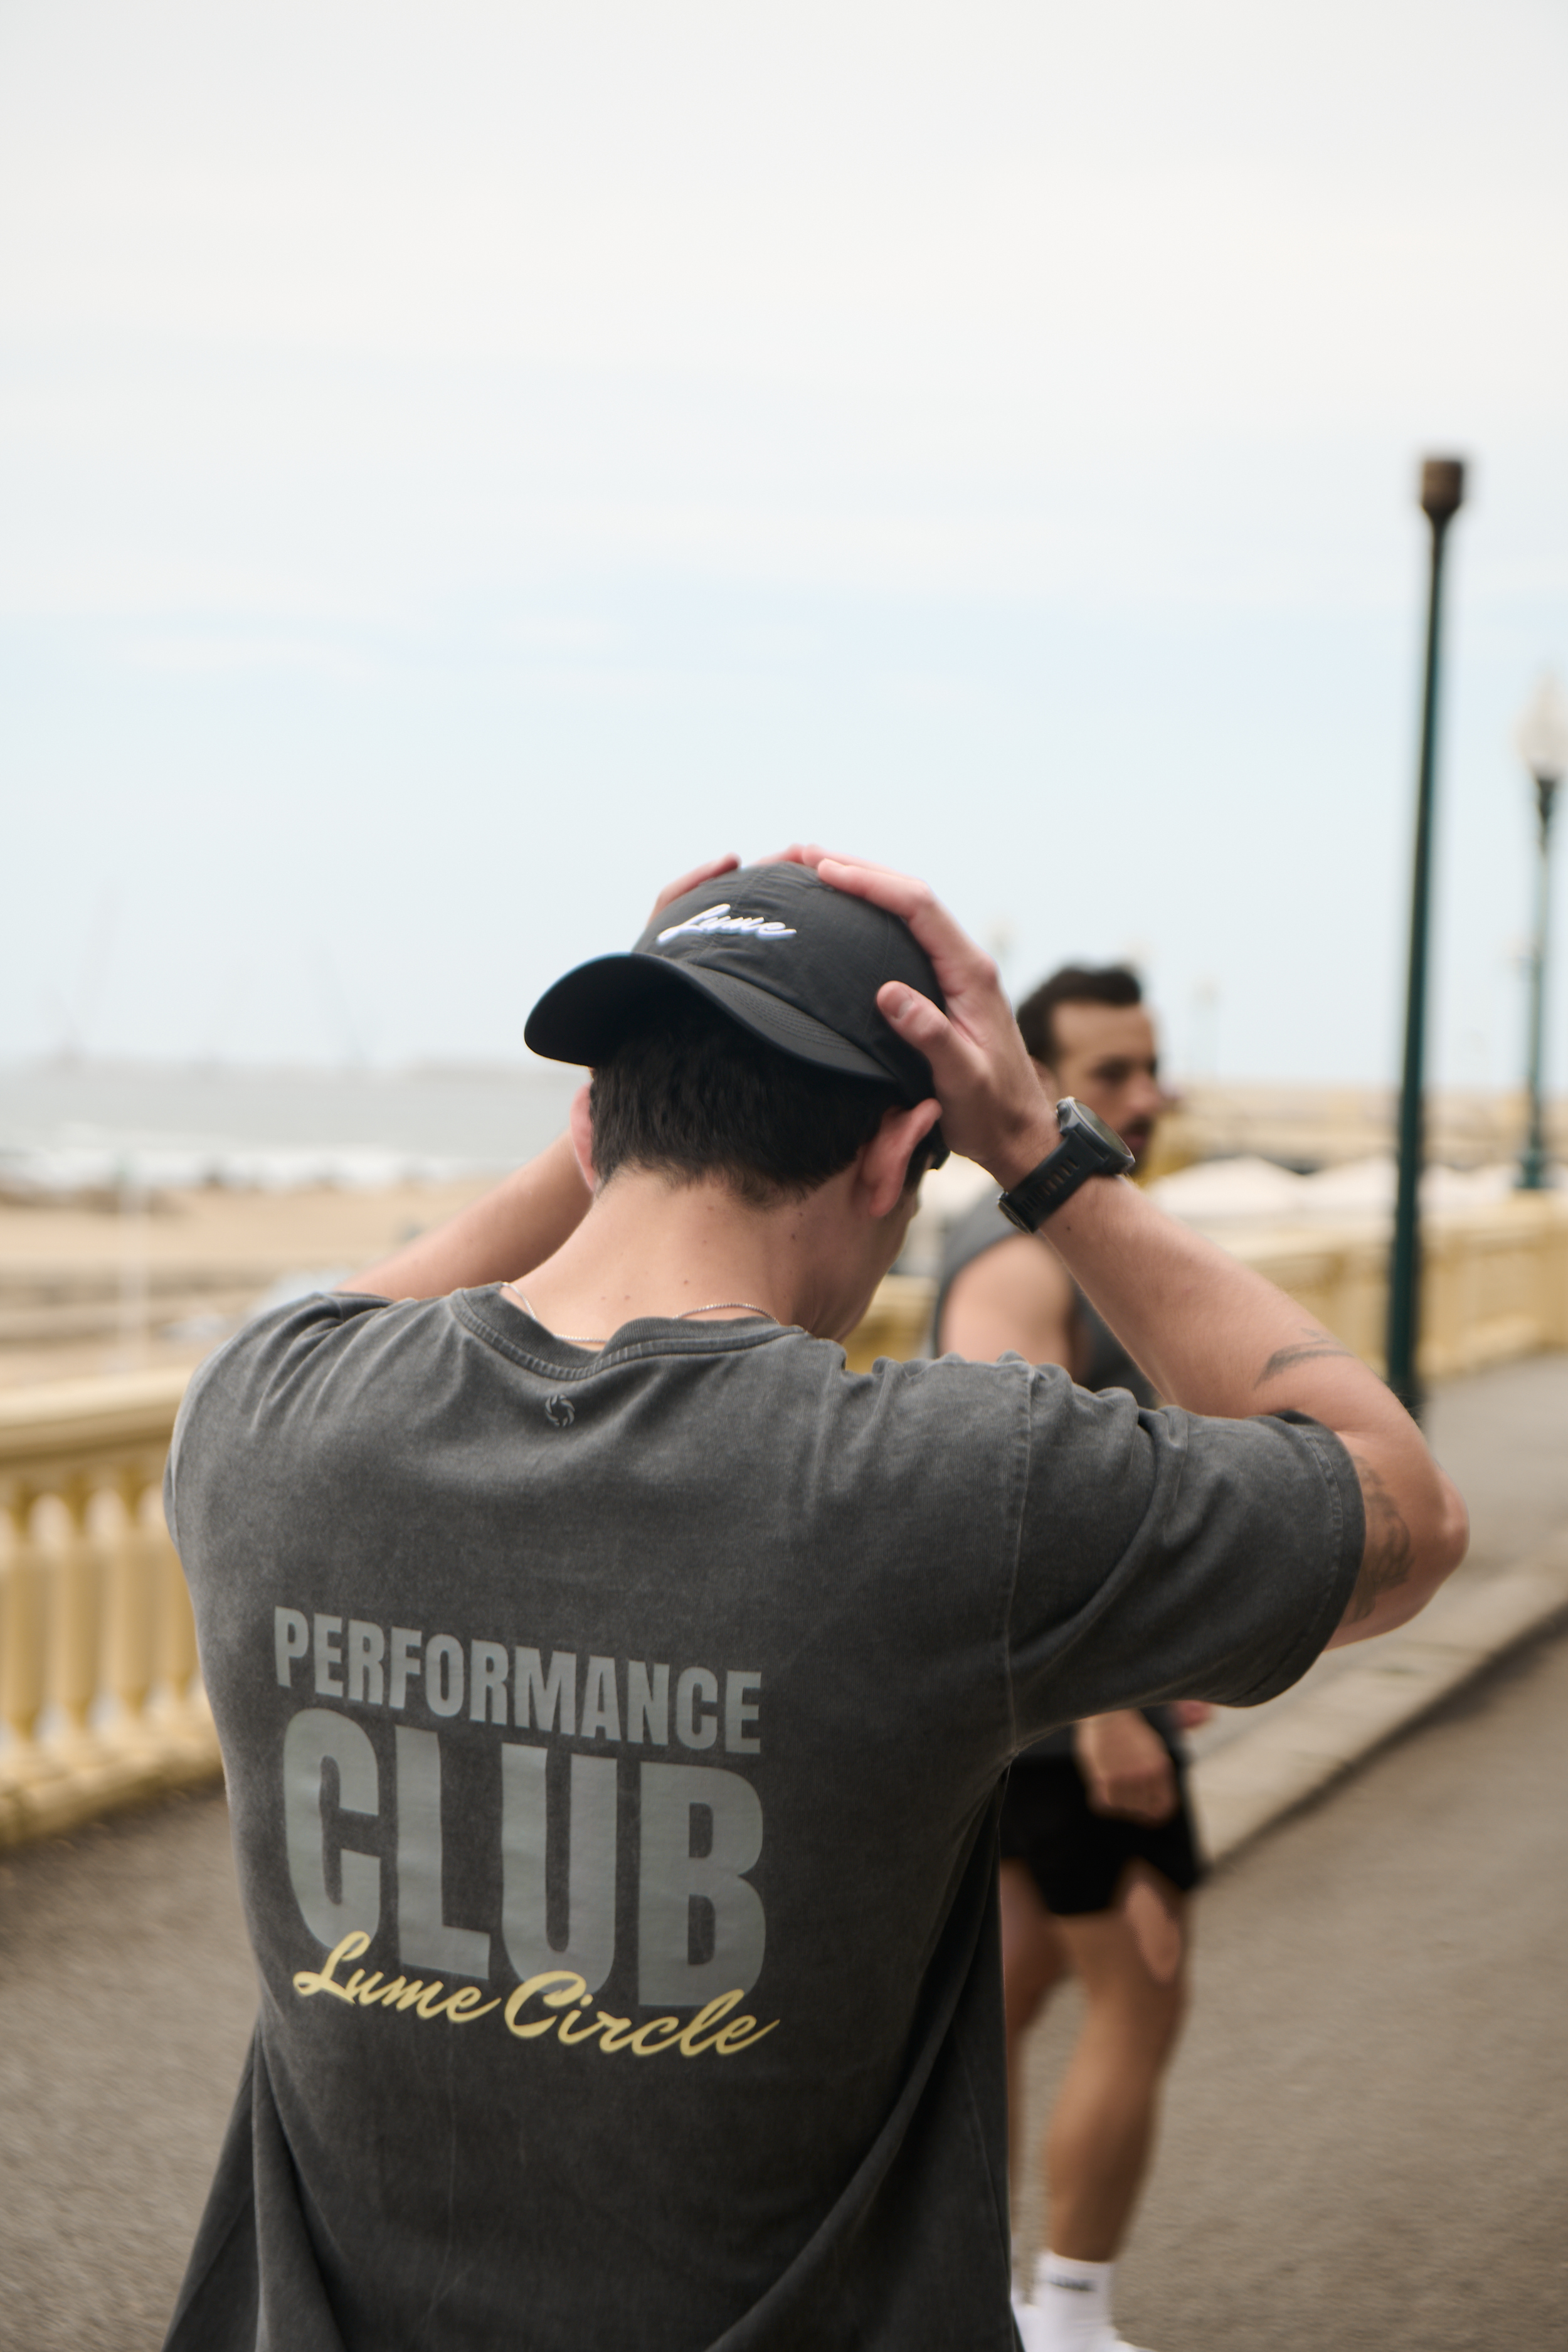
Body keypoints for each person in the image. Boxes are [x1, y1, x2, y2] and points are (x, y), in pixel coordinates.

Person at [161, 850, 1465, 2352]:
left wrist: (621, 1115)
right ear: (898, 1155)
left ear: (588, 1123)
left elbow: (352, 1312)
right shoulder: (951, 1490)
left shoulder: (259, 1425)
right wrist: (1035, 1147)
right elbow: (1403, 1505)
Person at [935, 963, 1200, 2352]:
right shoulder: (1020, 1263)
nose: (1145, 1097)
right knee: (1141, 1994)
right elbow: (1015, 1494)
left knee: (1012, 1991)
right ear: (1033, 1084)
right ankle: (1069, 2318)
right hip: (1067, 1720)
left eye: (1151, 1067)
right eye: (1108, 1074)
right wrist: (1110, 1710)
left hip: (1040, 1712)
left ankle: (961, 2298)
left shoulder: (1062, 1241)